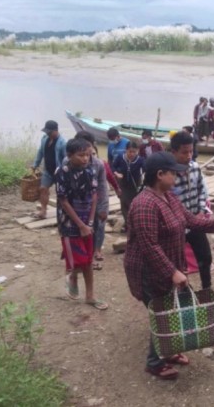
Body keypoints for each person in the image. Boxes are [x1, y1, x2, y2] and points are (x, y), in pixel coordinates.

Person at [124, 151, 214, 380]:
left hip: (167, 266)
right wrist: (172, 271)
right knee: (164, 313)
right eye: (173, 173)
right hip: (148, 270)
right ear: (160, 174)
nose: (177, 176)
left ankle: (168, 351)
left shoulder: (169, 197)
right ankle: (155, 363)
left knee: (171, 309)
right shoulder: (144, 204)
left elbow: (190, 220)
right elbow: (149, 246)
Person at [54, 138, 109, 310]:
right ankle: (72, 276)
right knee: (80, 260)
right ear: (69, 155)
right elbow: (63, 201)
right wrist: (81, 225)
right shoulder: (62, 172)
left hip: (87, 221)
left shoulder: (90, 171)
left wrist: (90, 222)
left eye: (88, 155)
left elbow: (94, 196)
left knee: (88, 260)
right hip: (69, 224)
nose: (85, 158)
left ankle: (90, 296)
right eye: (81, 155)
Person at [169, 132, 214, 297]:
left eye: (191, 151)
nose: (189, 155)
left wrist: (201, 211)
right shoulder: (168, 173)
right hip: (176, 226)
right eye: (184, 152)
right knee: (177, 262)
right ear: (173, 152)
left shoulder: (195, 168)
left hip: (196, 221)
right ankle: (181, 294)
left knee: (205, 257)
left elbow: (203, 191)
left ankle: (206, 289)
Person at [74, 131, 120, 270]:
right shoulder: (68, 163)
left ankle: (94, 252)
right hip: (78, 204)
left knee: (97, 227)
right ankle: (81, 256)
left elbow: (103, 187)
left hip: (96, 202)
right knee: (79, 229)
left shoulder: (99, 164)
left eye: (87, 148)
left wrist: (103, 207)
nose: (84, 155)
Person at [32, 120, 67, 220]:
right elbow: (40, 152)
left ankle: (63, 212)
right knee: (43, 189)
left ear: (56, 130)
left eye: (50, 132)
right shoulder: (44, 139)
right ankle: (43, 211)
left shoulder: (62, 143)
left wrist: (65, 172)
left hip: (59, 172)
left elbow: (66, 158)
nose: (48, 134)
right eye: (47, 132)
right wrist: (35, 165)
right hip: (48, 170)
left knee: (60, 193)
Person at [112, 141, 144, 233]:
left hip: (135, 186)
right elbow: (113, 167)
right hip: (123, 184)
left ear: (137, 151)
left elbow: (145, 169)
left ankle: (133, 224)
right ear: (126, 150)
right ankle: (128, 225)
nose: (132, 154)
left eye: (134, 152)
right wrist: (116, 173)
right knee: (124, 204)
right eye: (130, 151)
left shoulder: (140, 160)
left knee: (133, 205)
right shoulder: (120, 157)